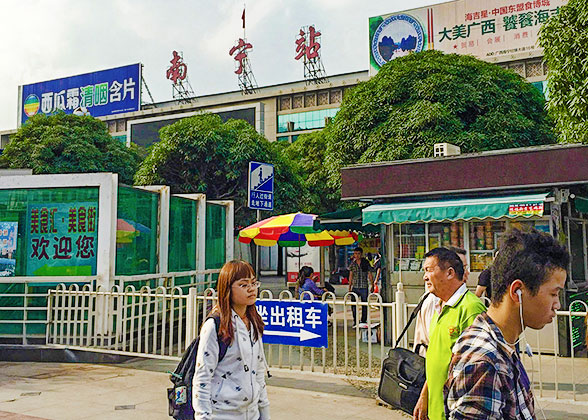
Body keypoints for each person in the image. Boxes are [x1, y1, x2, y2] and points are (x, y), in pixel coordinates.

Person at [444, 229, 569, 419]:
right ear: (517, 291)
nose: (557, 305)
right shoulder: (485, 362)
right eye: (553, 294)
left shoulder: (503, 344)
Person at [192, 260, 270, 420]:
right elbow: (202, 377)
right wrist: (203, 417)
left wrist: (264, 413)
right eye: (243, 285)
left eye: (254, 283)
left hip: (252, 415)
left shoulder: (254, 322)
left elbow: (259, 371)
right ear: (227, 289)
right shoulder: (214, 326)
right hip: (221, 415)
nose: (251, 289)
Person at [413, 248, 485, 420]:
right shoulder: (440, 306)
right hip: (437, 410)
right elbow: (439, 360)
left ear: (450, 273)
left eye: (429, 270)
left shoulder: (470, 308)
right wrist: (425, 396)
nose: (425, 277)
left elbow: (478, 374)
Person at [413, 247, 469, 357]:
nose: (465, 272)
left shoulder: (467, 305)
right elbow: (434, 341)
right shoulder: (434, 300)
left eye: (465, 267)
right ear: (450, 272)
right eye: (462, 267)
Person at [348, 247, 374, 326]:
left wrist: (372, 284)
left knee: (364, 304)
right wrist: (349, 287)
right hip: (355, 287)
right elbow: (351, 275)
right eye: (355, 253)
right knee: (353, 304)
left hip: (363, 286)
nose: (357, 255)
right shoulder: (353, 264)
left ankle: (363, 320)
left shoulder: (365, 262)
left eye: (358, 253)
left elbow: (369, 274)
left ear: (361, 254)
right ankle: (355, 320)